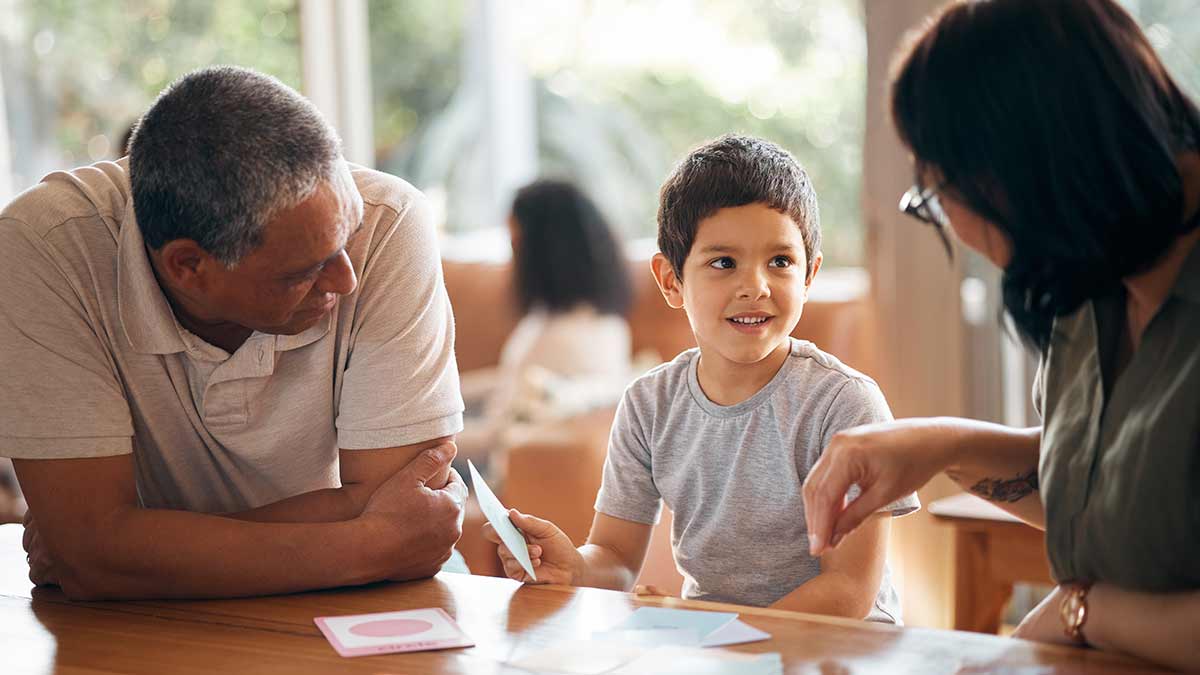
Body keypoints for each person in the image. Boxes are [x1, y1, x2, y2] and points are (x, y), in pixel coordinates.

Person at [800, 0, 1200, 669]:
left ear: (1026, 166)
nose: (957, 227)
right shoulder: (1098, 264)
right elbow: (1129, 484)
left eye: (940, 191)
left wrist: (1084, 613)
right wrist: (939, 445)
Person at [0, 66, 468, 600]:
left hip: (364, 599)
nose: (347, 278)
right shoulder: (45, 247)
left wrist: (137, 545)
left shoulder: (389, 222)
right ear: (187, 267)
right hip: (157, 625)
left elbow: (409, 507)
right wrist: (371, 544)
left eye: (349, 237)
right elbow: (93, 556)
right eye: (302, 272)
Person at [485, 135, 919, 621]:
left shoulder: (846, 404)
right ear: (671, 281)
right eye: (723, 263)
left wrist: (710, 638)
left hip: (838, 647)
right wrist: (575, 567)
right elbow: (614, 557)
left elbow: (848, 592)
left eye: (780, 261)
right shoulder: (649, 403)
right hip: (718, 648)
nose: (754, 286)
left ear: (810, 274)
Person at [456, 180, 633, 474]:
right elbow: (518, 378)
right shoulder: (605, 323)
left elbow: (493, 437)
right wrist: (443, 392)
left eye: (514, 243)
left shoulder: (556, 339)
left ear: (542, 250)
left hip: (491, 467)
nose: (512, 257)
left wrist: (417, 440)